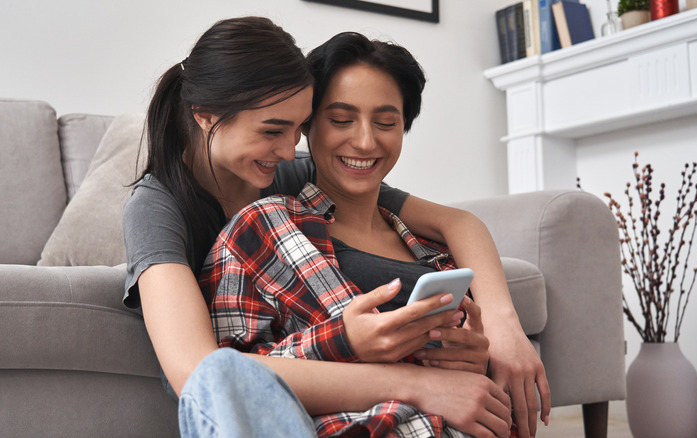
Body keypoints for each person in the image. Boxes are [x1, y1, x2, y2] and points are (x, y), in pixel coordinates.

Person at [123, 15, 548, 438]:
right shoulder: (158, 207)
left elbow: (456, 221)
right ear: (204, 116)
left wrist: (501, 326)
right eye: (273, 130)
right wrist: (414, 382)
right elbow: (202, 372)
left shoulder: (293, 171)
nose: (290, 151)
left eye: (298, 129)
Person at [201, 32, 503, 437]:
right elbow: (226, 384)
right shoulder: (262, 229)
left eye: (386, 123)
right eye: (341, 120)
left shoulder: (437, 251)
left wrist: (473, 355)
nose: (364, 141)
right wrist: (342, 341)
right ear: (305, 128)